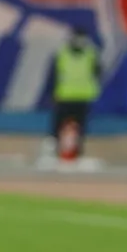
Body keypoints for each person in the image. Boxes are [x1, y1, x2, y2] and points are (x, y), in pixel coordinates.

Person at [49, 26, 101, 158]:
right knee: (58, 126)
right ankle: (55, 150)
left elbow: (98, 73)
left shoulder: (91, 54)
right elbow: (54, 75)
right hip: (65, 96)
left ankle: (77, 153)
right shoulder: (63, 53)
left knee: (80, 128)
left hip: (82, 97)